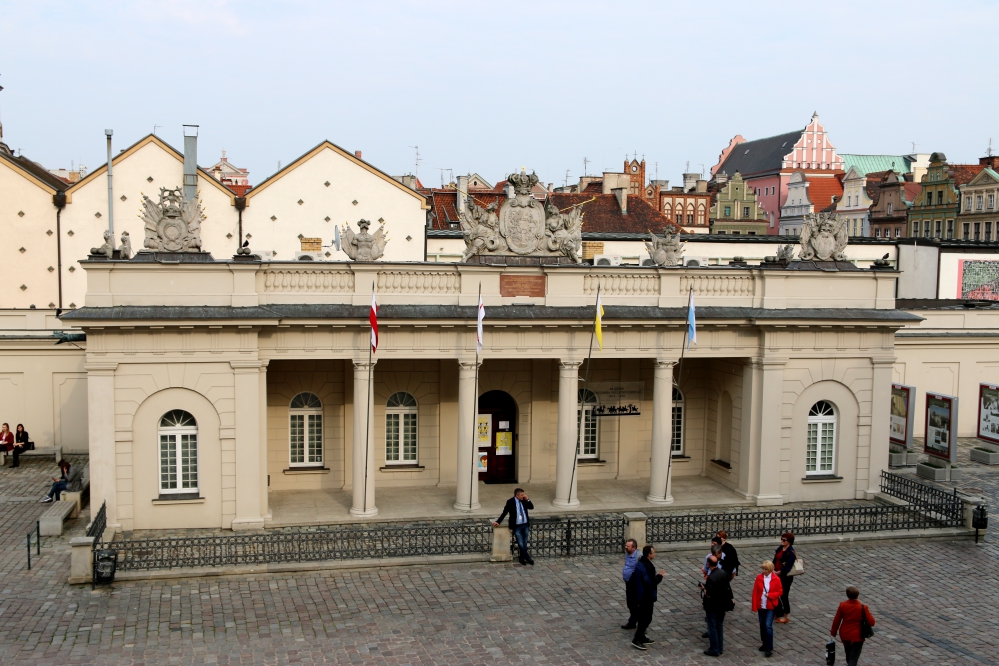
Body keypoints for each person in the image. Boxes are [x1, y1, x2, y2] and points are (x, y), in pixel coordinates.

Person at [630, 545, 665, 650]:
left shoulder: (640, 563)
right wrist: (660, 576)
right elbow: (651, 582)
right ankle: (637, 638)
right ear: (649, 555)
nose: (654, 554)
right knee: (646, 618)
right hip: (646, 596)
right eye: (653, 552)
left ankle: (642, 637)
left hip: (641, 594)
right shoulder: (648, 566)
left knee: (644, 617)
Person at [831, 586, 876, 666]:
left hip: (844, 635)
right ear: (858, 595)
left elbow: (836, 621)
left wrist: (833, 633)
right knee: (853, 658)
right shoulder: (863, 607)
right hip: (857, 636)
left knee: (848, 655)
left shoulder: (842, 605)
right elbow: (872, 622)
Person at [492, 488, 534, 565]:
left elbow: (531, 507)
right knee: (520, 543)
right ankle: (527, 557)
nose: (523, 496)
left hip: (525, 524)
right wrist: (498, 521)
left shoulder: (524, 500)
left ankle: (521, 558)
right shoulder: (510, 501)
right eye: (521, 495)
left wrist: (528, 499)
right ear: (517, 495)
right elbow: (505, 512)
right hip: (517, 525)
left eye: (523, 494)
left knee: (524, 542)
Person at [702, 555, 733, 657]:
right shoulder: (723, 573)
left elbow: (709, 594)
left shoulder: (711, 578)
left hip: (713, 605)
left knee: (712, 627)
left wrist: (704, 588)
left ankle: (714, 649)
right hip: (722, 604)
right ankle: (720, 647)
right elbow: (728, 588)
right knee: (719, 625)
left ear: (708, 564)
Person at [751, 560, 783, 658]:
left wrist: (771, 595)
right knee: (762, 625)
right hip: (761, 605)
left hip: (770, 606)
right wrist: (754, 605)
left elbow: (780, 591)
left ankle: (769, 647)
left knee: (768, 625)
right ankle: (764, 643)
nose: (764, 571)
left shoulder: (776, 579)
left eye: (766, 569)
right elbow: (755, 592)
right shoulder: (759, 578)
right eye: (763, 569)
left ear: (770, 570)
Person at [773, 532, 796, 623]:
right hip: (775, 574)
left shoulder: (790, 552)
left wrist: (778, 572)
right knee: (774, 593)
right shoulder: (780, 548)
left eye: (784, 540)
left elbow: (788, 567)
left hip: (785, 577)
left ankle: (786, 615)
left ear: (789, 542)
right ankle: (779, 612)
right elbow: (775, 559)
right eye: (781, 539)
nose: (782, 541)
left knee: (783, 595)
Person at [621, 538, 640, 629]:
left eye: (628, 546)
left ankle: (633, 621)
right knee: (630, 603)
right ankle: (633, 620)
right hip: (628, 582)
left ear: (634, 548)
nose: (626, 547)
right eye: (626, 546)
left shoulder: (639, 556)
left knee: (633, 603)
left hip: (635, 584)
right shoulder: (628, 554)